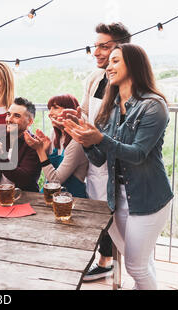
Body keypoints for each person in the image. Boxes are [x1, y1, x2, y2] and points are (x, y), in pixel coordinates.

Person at [63, 43, 173, 290]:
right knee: (142, 263)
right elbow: (100, 158)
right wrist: (85, 141)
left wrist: (99, 139)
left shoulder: (154, 106)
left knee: (136, 266)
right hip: (118, 197)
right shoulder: (110, 108)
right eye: (108, 62)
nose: (108, 67)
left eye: (115, 61)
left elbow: (138, 154)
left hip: (148, 198)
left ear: (134, 65)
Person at [59, 22, 131, 281]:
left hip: (118, 163)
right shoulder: (93, 79)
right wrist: (74, 117)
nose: (97, 52)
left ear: (121, 49)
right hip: (96, 159)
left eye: (104, 46)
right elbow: (89, 116)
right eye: (95, 46)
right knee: (101, 217)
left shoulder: (126, 82)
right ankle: (106, 262)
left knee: (125, 227)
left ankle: (124, 270)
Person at [24, 94, 88, 198]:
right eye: (49, 109)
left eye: (56, 108)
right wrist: (44, 150)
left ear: (70, 111)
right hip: (54, 197)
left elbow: (56, 180)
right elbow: (48, 171)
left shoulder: (76, 142)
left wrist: (40, 150)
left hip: (72, 200)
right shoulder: (55, 135)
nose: (50, 113)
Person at [0, 97, 41, 192]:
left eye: (17, 116)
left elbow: (24, 180)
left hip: (25, 199)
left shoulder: (34, 144)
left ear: (30, 122)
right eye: (8, 114)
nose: (9, 119)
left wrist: (1, 155)